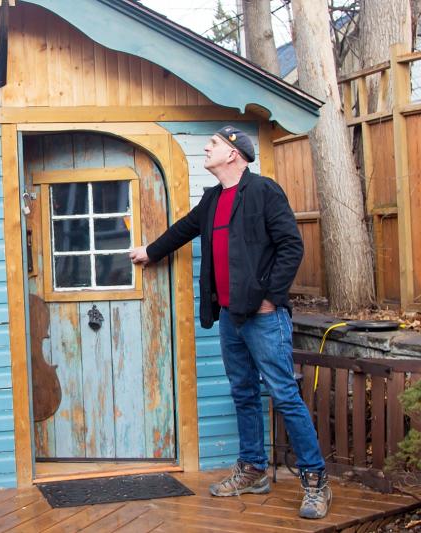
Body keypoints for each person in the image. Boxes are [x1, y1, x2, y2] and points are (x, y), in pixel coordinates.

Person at [129, 126, 331, 519]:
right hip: (229, 317)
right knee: (243, 392)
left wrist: (271, 298)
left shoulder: (264, 192)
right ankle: (253, 469)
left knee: (284, 395)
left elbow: (292, 246)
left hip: (264, 317)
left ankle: (316, 479)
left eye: (214, 144)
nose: (206, 148)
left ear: (233, 154)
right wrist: (150, 252)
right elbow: (183, 230)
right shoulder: (212, 200)